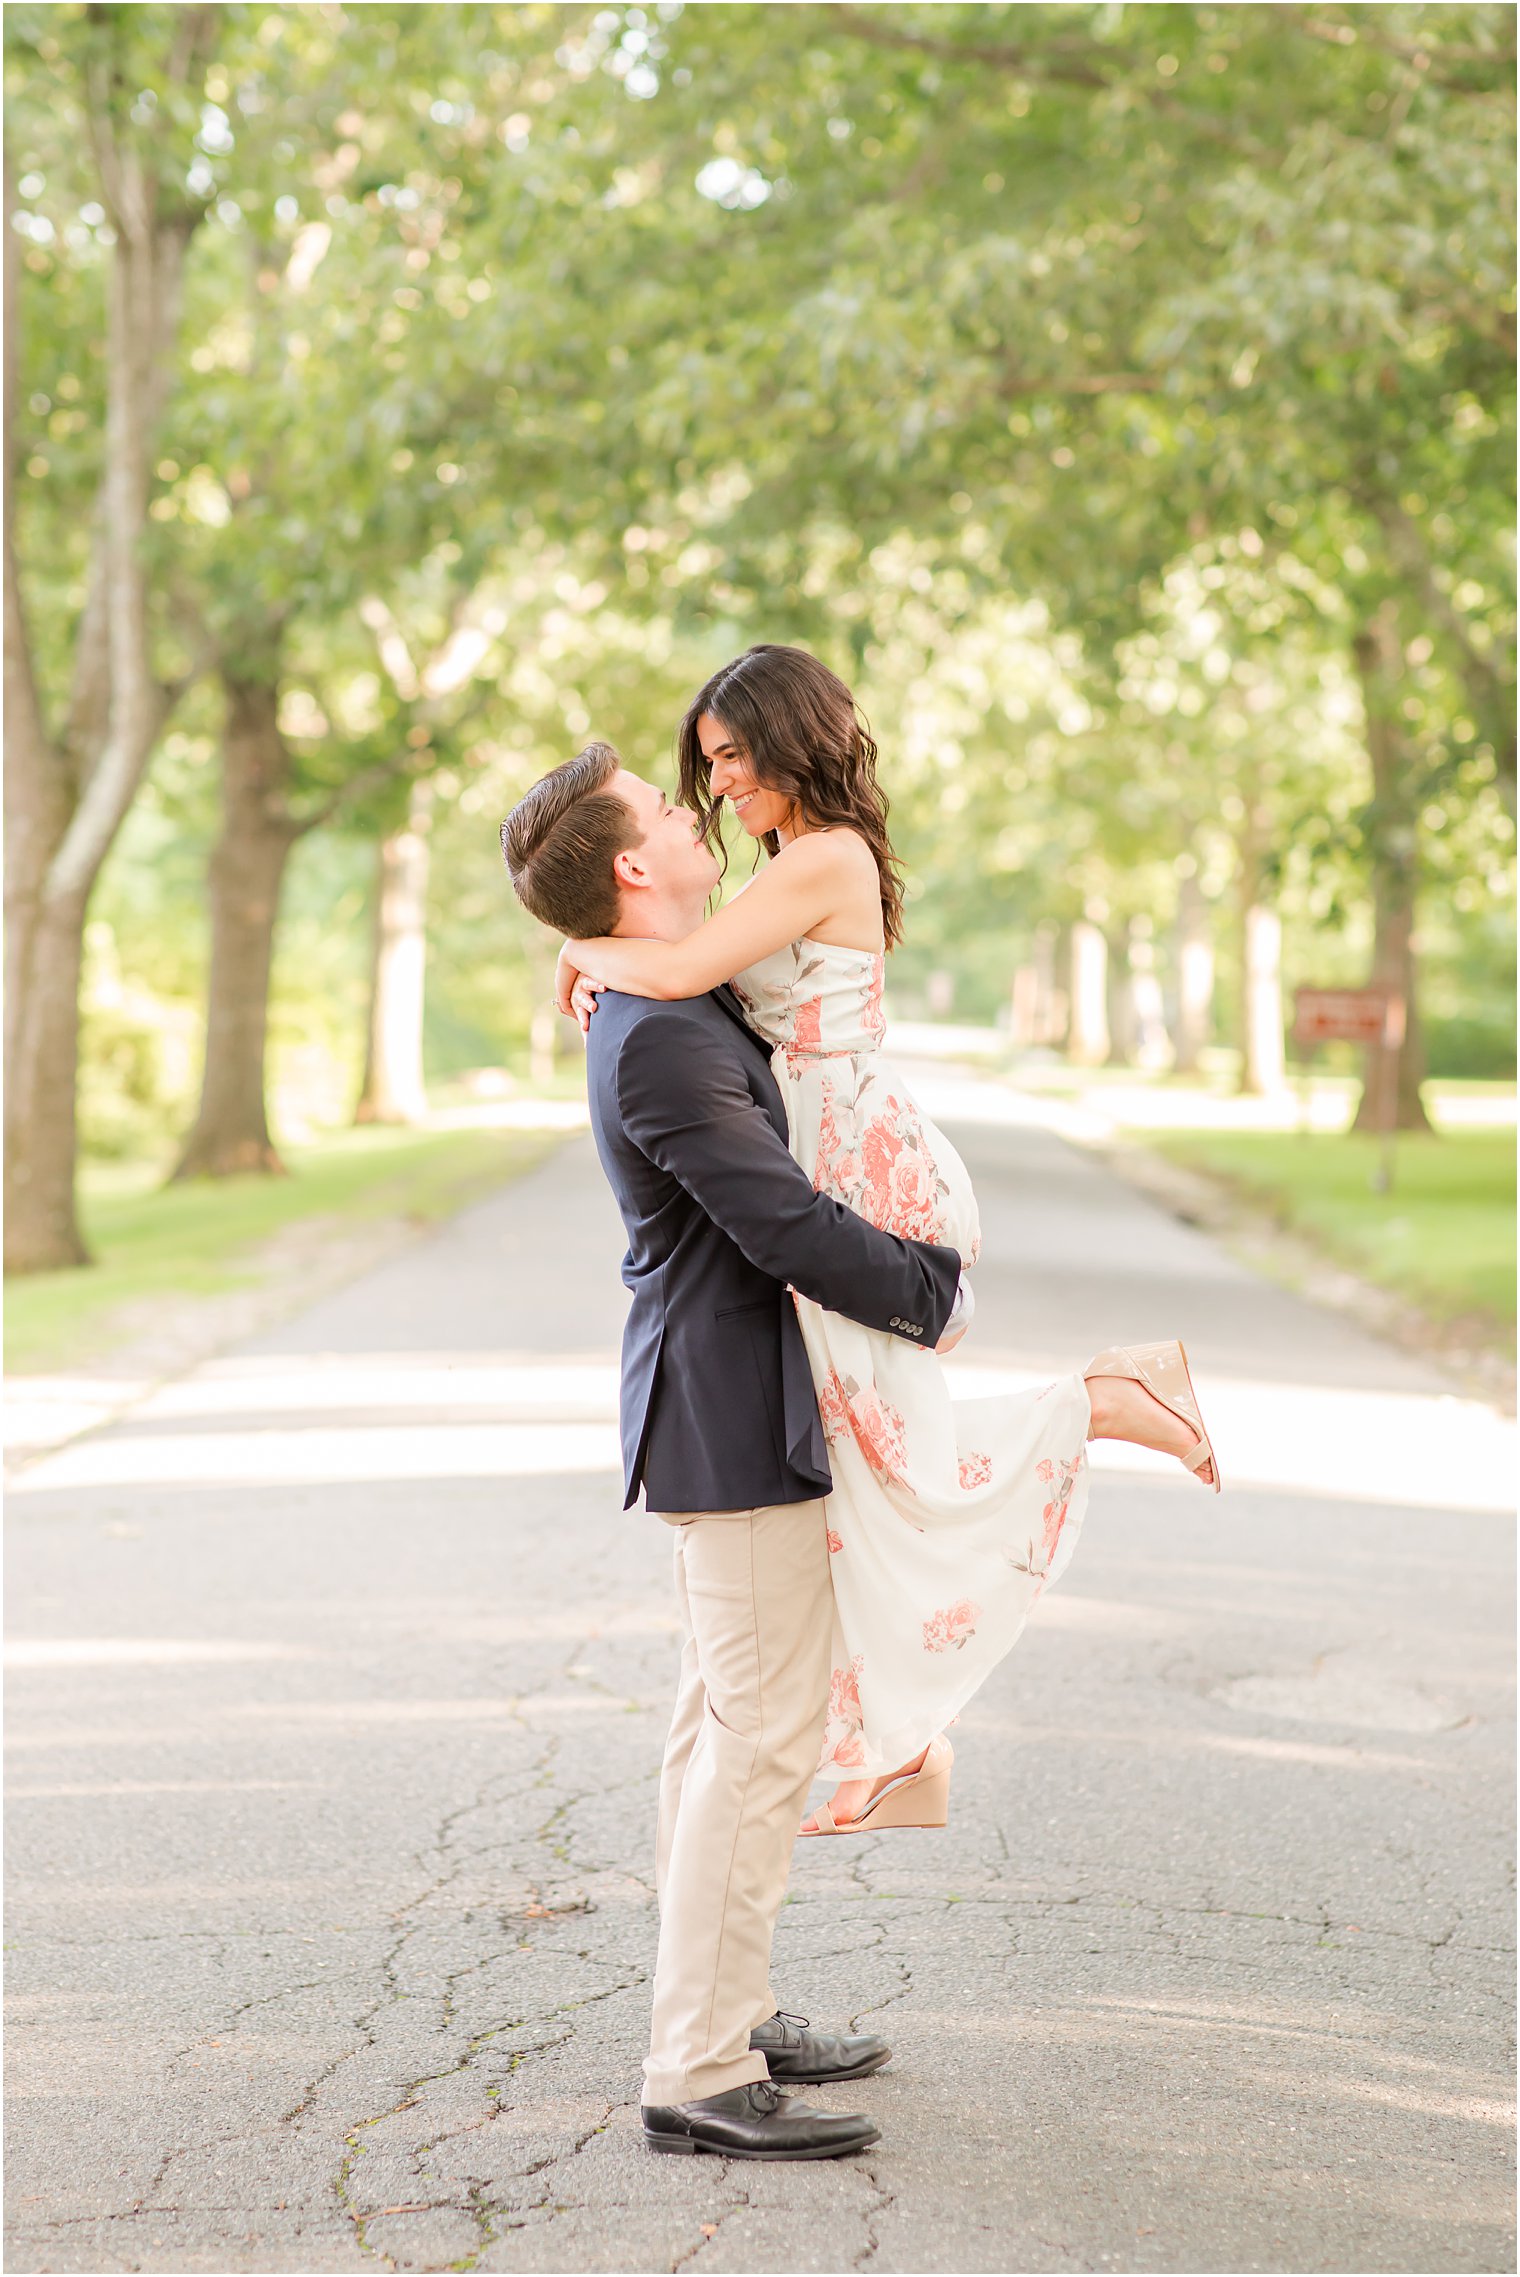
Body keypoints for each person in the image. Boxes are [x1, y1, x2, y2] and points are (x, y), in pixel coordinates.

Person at [552, 646, 1220, 1843]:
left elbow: (687, 967)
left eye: (733, 756)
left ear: (789, 739)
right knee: (866, 1466)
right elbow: (692, 973)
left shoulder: (825, 857)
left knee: (892, 1464)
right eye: (708, 764)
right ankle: (898, 1745)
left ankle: (1105, 1399)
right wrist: (599, 952)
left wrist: (573, 947)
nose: (721, 782)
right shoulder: (785, 859)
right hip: (818, 1144)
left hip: (855, 1157)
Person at [500, 744, 971, 2163]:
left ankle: (728, 2009)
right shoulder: (658, 1035)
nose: (689, 807)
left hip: (735, 1402)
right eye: (662, 805)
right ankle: (697, 2066)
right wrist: (932, 1289)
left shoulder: (671, 988)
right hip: (730, 1414)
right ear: (633, 864)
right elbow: (780, 1224)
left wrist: (580, 948)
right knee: (757, 1742)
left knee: (723, 1726)